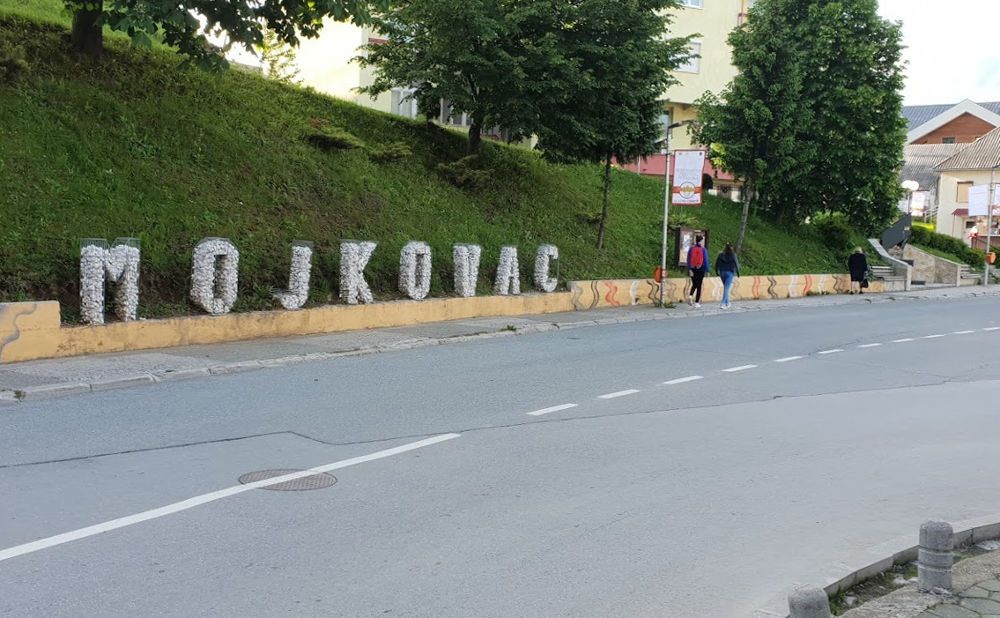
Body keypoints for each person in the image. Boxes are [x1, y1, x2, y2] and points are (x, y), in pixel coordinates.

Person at [686, 235, 709, 308]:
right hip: (701, 268)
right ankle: (696, 302)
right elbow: (705, 260)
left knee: (695, 283)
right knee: (699, 285)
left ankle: (690, 295)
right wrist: (707, 270)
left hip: (692, 268)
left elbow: (688, 259)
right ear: (701, 241)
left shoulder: (691, 249)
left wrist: (689, 269)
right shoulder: (703, 249)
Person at [715, 243, 740, 309]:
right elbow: (736, 264)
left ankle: (727, 303)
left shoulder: (721, 255)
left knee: (726, 288)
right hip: (730, 273)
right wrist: (738, 273)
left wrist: (717, 271)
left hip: (722, 272)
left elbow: (717, 263)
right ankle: (723, 303)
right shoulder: (733, 255)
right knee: (726, 288)